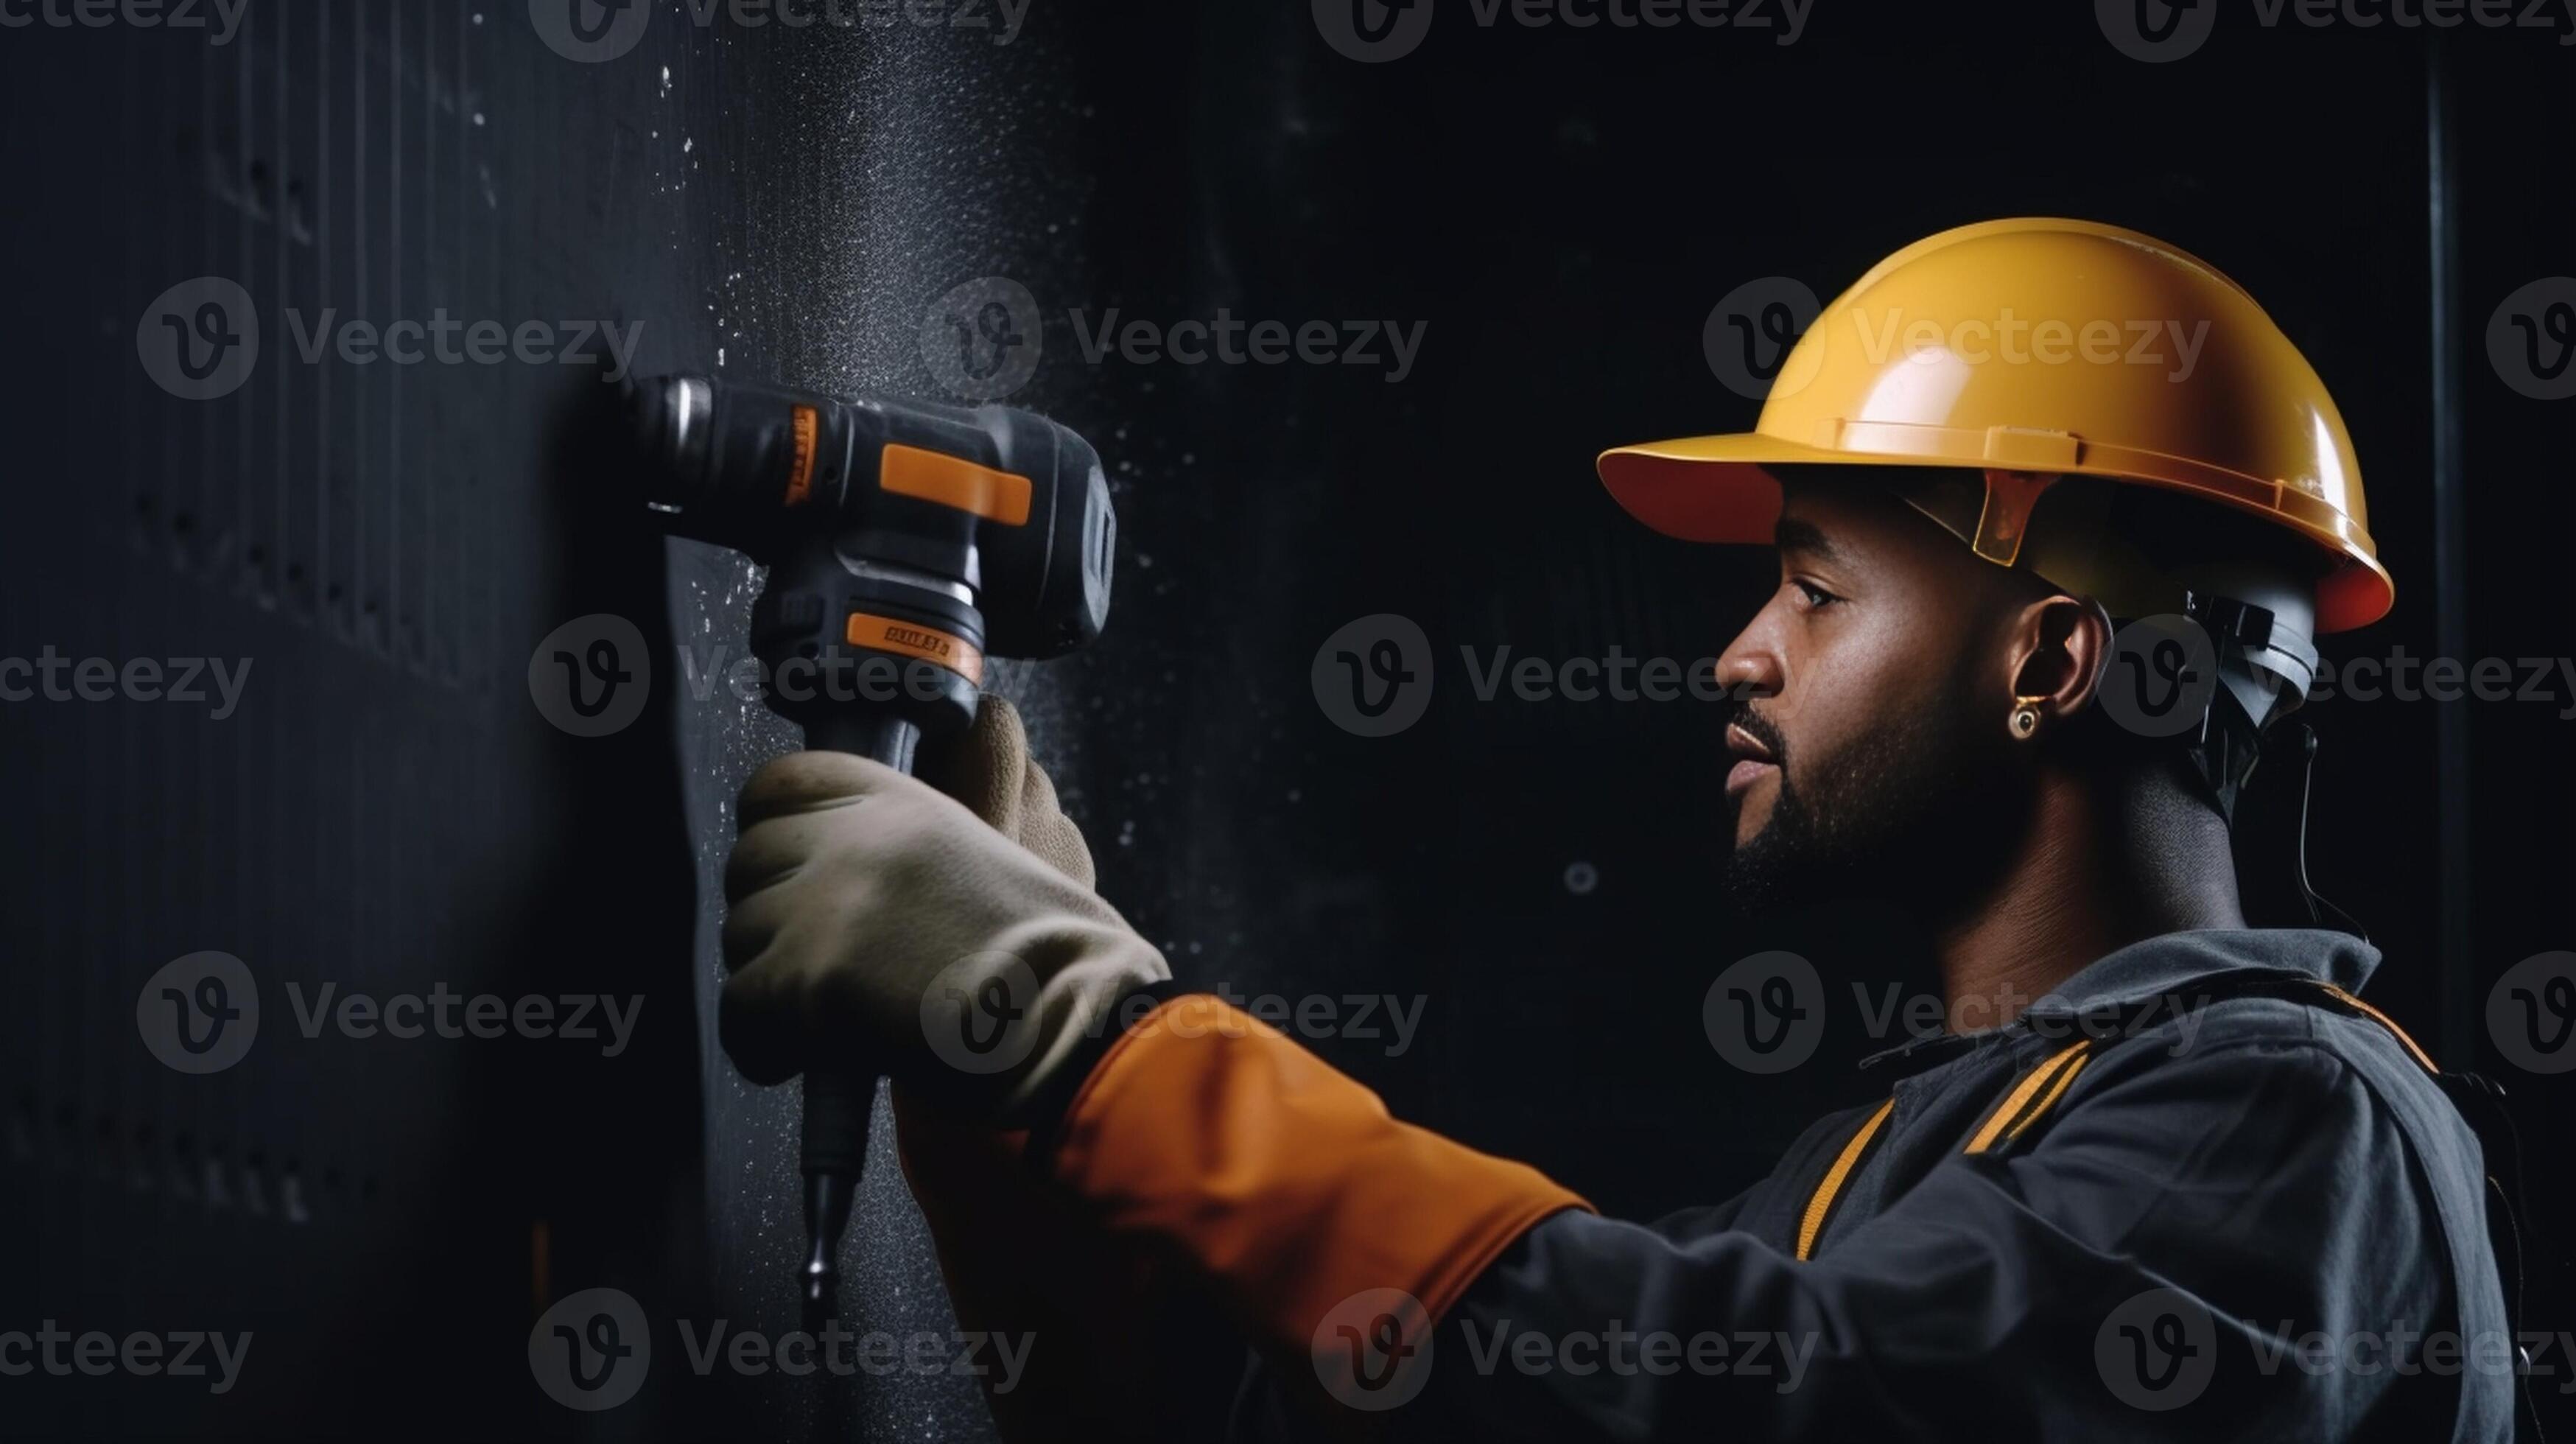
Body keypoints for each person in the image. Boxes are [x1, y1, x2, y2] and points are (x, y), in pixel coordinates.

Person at [712, 220, 2515, 1440]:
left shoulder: (2297, 1122)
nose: (1739, 652)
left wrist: (1092, 1032)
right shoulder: (1885, 1169)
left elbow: (1746, 1401)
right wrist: (1004, 1077)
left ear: (2050, 659)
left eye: (1813, 590)